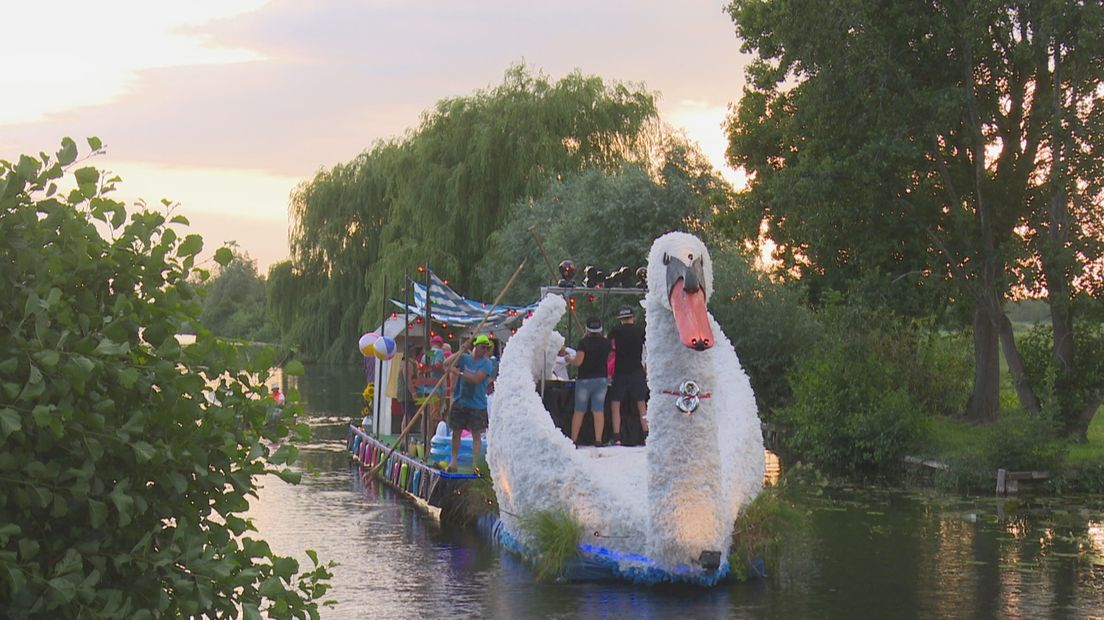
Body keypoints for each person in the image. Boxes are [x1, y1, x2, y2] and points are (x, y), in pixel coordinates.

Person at [443, 334, 495, 472]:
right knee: (456, 432)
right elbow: (446, 363)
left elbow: (476, 379)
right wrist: (460, 350)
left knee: (476, 434)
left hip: (477, 404)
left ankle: (475, 465)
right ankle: (453, 462)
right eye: (483, 347)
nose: (485, 350)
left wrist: (458, 373)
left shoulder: (487, 363)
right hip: (461, 401)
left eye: (487, 348)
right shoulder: (465, 359)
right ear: (476, 346)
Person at [566, 317, 611, 446]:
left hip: (585, 380)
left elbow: (578, 362)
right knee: (598, 410)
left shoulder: (583, 343)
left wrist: (569, 359)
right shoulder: (606, 343)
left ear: (587, 328)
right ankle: (598, 440)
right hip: (601, 379)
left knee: (579, 410)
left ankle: (573, 440)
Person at [608, 306, 648, 444]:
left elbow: (610, 350)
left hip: (620, 371)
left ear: (620, 320)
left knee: (615, 404)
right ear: (633, 318)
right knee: (641, 403)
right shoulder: (640, 331)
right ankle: (646, 434)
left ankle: (617, 436)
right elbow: (647, 350)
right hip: (636, 369)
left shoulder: (615, 332)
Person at [419, 335, 447, 423]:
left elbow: (420, 370)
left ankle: (425, 435)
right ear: (441, 344)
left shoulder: (426, 354)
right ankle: (432, 435)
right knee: (434, 415)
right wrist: (444, 371)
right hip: (436, 388)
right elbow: (438, 365)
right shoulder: (439, 352)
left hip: (425, 388)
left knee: (426, 415)